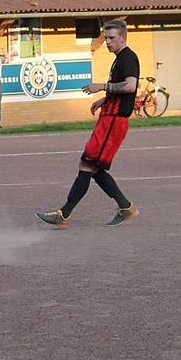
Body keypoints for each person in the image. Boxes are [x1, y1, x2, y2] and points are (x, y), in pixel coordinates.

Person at [36, 19, 140, 227]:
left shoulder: (128, 57)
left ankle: (64, 214)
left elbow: (130, 86)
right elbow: (122, 89)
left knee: (87, 165)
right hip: (109, 118)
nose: (107, 42)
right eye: (106, 37)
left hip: (114, 122)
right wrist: (104, 100)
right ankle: (125, 207)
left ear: (122, 37)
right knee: (93, 167)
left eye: (111, 38)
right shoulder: (120, 58)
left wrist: (101, 86)